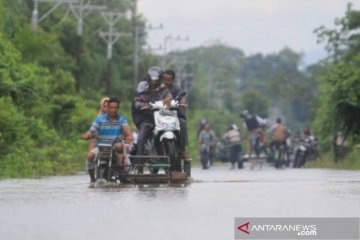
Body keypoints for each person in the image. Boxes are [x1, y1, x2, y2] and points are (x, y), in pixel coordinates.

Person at [132, 66, 173, 173]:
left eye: (156, 81)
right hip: (147, 118)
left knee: (172, 131)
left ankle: (172, 161)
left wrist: (168, 100)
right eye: (152, 81)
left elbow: (169, 96)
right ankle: (139, 167)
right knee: (141, 138)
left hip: (161, 118)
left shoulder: (164, 88)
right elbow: (136, 100)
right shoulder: (142, 86)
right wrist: (142, 104)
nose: (154, 84)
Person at [86, 97, 133, 184]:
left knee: (119, 148)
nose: (113, 110)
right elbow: (91, 131)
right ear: (107, 108)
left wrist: (129, 136)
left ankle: (122, 171)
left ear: (118, 109)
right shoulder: (99, 119)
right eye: (111, 107)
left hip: (115, 147)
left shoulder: (121, 119)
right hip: (101, 147)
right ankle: (92, 179)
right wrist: (88, 135)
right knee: (89, 156)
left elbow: (126, 129)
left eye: (115, 108)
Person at [163, 69, 189, 160]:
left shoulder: (177, 89)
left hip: (174, 115)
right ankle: (148, 151)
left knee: (182, 123)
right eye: (164, 79)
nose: (166, 81)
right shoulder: (158, 88)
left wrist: (183, 101)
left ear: (173, 80)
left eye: (168, 80)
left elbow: (183, 97)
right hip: (159, 114)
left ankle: (182, 149)